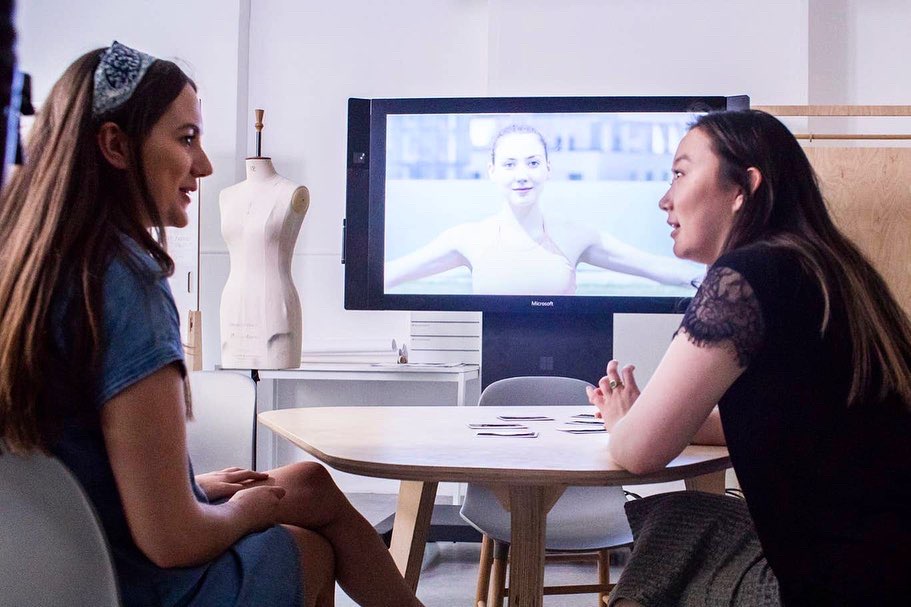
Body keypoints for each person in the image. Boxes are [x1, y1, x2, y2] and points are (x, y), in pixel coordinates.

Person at [0, 42, 424, 607]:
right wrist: (246, 509)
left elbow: (78, 469)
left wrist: (197, 492)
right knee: (306, 546)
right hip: (127, 583)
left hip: (53, 567)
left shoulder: (26, 266)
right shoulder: (126, 283)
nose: (203, 164)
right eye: (186, 138)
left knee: (307, 483)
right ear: (115, 146)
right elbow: (173, 540)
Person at [587, 110, 911, 605]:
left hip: (844, 582)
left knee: (675, 526)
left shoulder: (744, 277)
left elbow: (639, 453)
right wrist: (655, 415)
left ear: (744, 188)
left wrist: (621, 422)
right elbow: (793, 419)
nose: (665, 199)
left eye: (680, 172)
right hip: (886, 563)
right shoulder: (831, 267)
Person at [384, 124, 699, 295]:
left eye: (532, 163)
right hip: (492, 363)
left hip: (575, 364)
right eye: (510, 164)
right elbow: (387, 276)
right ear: (492, 171)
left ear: (548, 168)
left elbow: (658, 269)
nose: (522, 174)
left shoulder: (576, 236)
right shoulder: (467, 237)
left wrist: (727, 278)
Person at [220, 155, 310, 370]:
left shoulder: (292, 192)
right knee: (237, 381)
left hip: (274, 301)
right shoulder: (226, 196)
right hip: (234, 303)